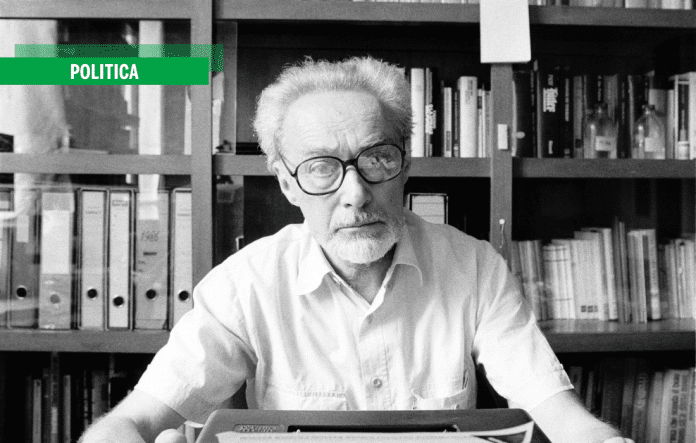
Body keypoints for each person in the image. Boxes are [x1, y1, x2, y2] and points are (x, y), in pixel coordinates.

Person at [80, 57, 634, 443]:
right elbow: (134, 421)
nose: (356, 194)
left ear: (405, 165)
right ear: (287, 183)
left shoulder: (475, 269)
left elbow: (559, 414)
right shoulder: (243, 285)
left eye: (376, 159)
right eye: (322, 168)